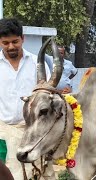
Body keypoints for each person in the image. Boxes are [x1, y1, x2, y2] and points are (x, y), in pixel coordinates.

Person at [0, 18, 51, 179]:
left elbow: (48, 96)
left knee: (35, 174)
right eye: (5, 42)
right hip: (2, 134)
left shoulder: (38, 64)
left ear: (23, 38)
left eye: (15, 41)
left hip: (32, 133)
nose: (11, 47)